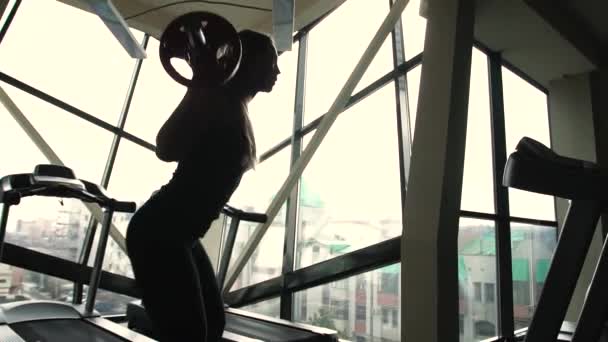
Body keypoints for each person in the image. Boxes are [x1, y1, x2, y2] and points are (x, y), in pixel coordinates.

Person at [126, 29, 280, 342]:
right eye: (271, 62)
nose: (277, 71)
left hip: (181, 235)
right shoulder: (217, 100)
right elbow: (165, 147)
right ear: (247, 62)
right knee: (191, 335)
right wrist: (202, 81)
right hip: (160, 233)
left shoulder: (234, 105)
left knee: (213, 325)